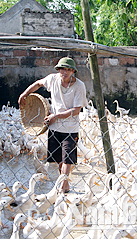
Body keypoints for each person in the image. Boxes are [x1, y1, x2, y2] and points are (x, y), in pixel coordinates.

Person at [18, 57, 87, 193]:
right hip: (54, 126)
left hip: (70, 128)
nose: (65, 72)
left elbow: (76, 110)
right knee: (59, 159)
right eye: (63, 69)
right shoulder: (52, 79)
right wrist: (24, 94)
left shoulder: (79, 86)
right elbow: (38, 84)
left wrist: (56, 116)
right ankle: (65, 183)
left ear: (73, 71)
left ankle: (62, 184)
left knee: (68, 157)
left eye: (68, 69)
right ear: (59, 70)